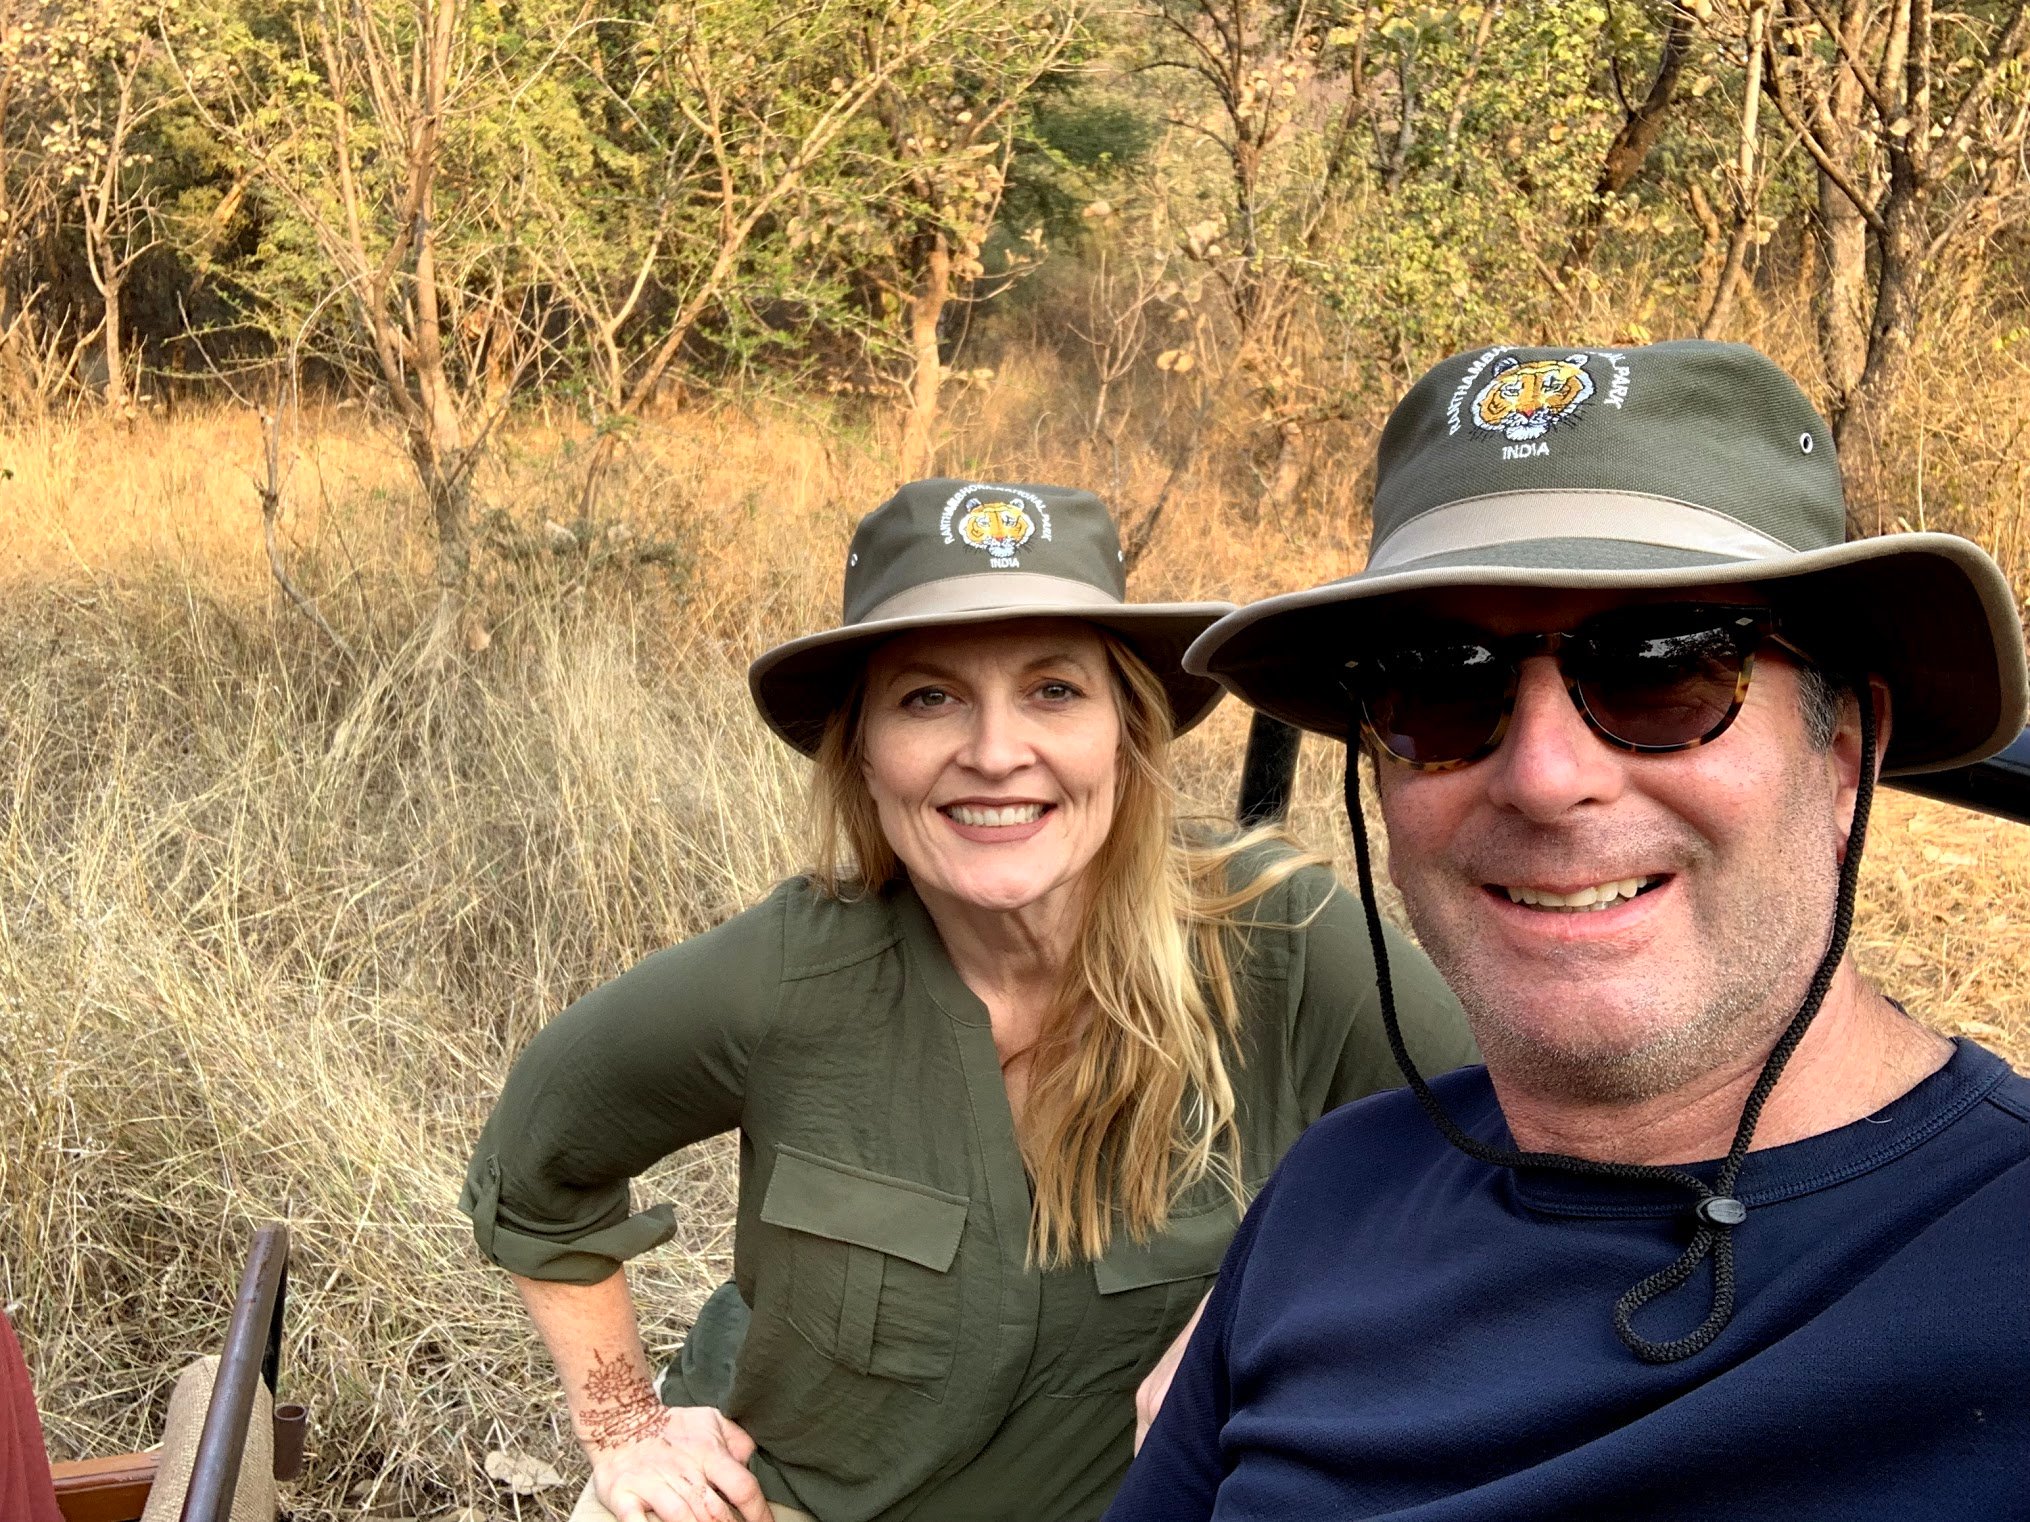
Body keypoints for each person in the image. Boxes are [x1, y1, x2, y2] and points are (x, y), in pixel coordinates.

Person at [1110, 340, 2030, 1521]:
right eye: (1437, 684)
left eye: (1662, 670)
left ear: (1842, 752)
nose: (1543, 778)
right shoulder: (1326, 1198)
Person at [460, 480, 1476, 1522]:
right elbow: (539, 1168)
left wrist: (1248, 1307)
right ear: (860, 748)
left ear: (1127, 732)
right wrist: (625, 1428)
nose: (993, 753)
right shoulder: (781, 978)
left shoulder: (1279, 943)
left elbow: (1492, 1157)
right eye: (927, 697)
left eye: (1052, 691)